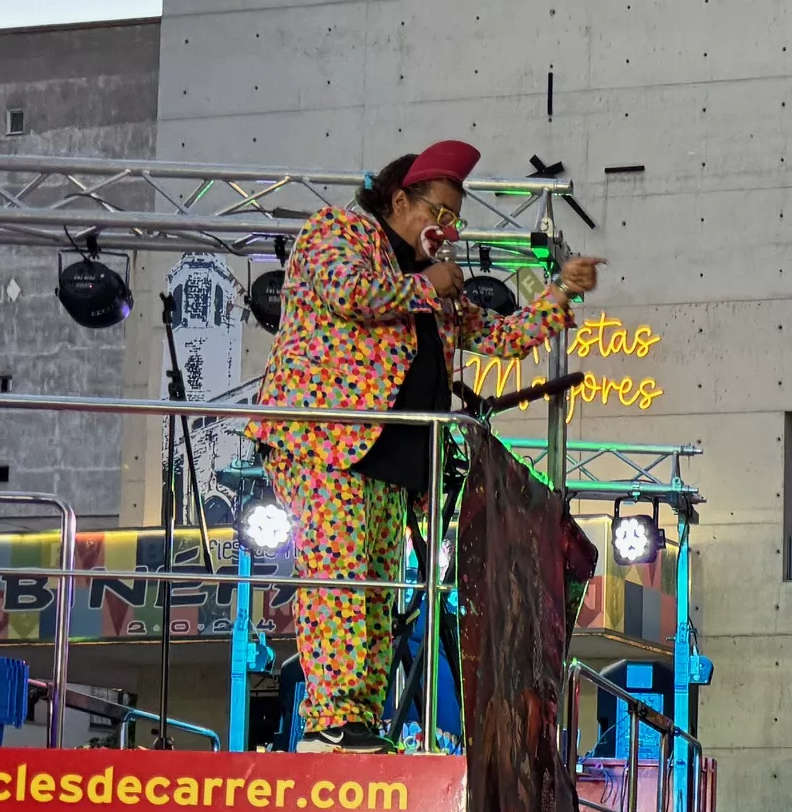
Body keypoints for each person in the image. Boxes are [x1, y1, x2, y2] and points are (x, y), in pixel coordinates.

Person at [254, 140, 602, 752]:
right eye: (438, 212)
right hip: (324, 440)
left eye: (454, 219)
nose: (447, 227)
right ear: (398, 200)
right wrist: (428, 284)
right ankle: (329, 721)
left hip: (398, 456)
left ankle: (356, 720)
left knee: (380, 590)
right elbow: (351, 295)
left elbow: (498, 336)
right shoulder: (337, 231)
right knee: (341, 580)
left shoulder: (430, 283)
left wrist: (561, 294)